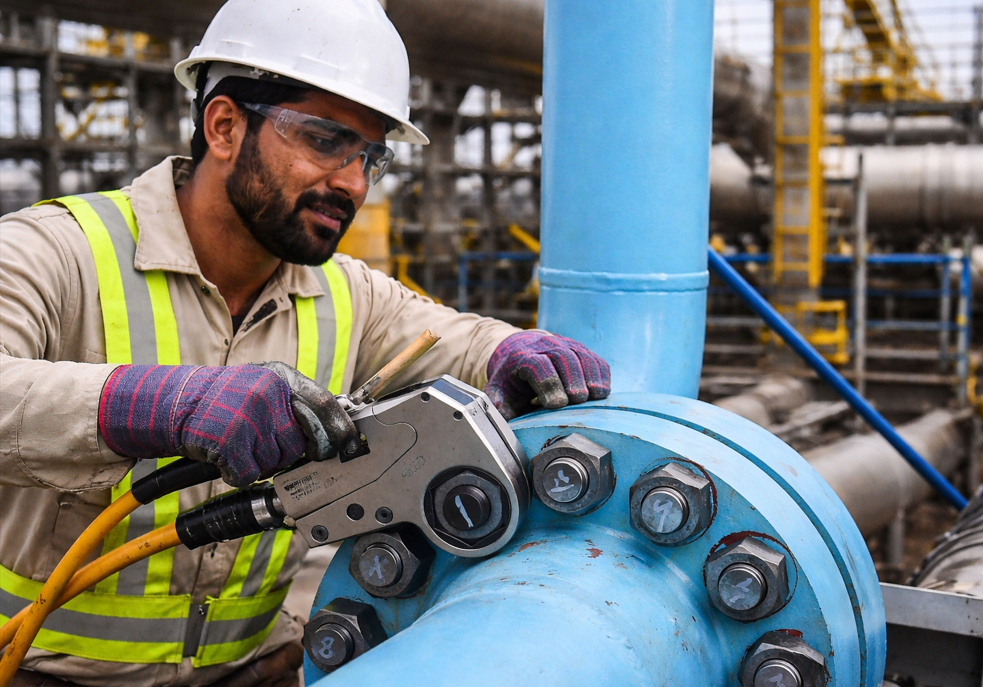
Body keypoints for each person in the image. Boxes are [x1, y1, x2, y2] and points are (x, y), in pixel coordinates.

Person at [0, 1, 609, 685]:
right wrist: (148, 402)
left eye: (369, 156)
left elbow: (455, 341)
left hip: (256, 671)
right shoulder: (57, 252)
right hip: (38, 669)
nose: (352, 181)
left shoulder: (345, 294)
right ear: (224, 125)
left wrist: (509, 351)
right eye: (325, 140)